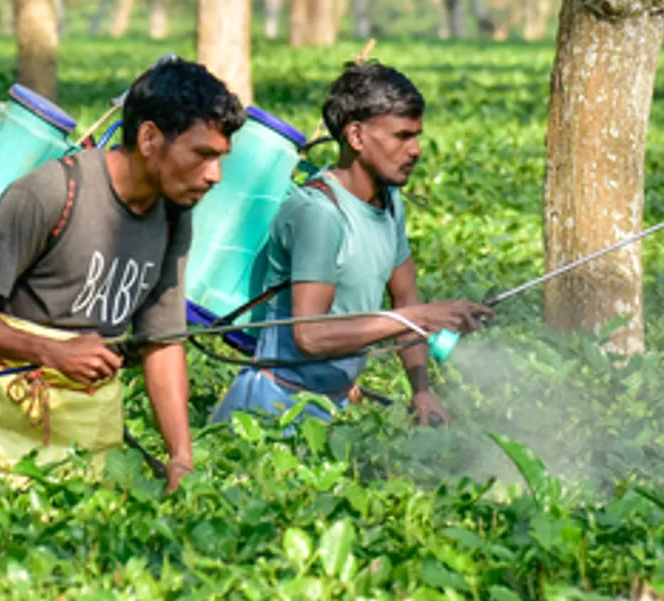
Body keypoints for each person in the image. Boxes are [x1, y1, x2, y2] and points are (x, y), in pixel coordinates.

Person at [0, 59, 245, 489]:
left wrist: (181, 457)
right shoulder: (51, 192)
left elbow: (162, 342)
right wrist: (52, 352)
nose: (214, 175)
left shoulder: (174, 216)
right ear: (149, 138)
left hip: (84, 429)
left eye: (220, 158)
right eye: (202, 155)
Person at [211, 61, 493, 429]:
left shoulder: (390, 203)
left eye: (418, 135)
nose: (417, 150)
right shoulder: (320, 214)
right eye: (402, 136)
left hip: (334, 406)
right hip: (274, 410)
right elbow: (309, 335)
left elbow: (405, 301)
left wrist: (421, 390)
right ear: (356, 136)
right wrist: (420, 318)